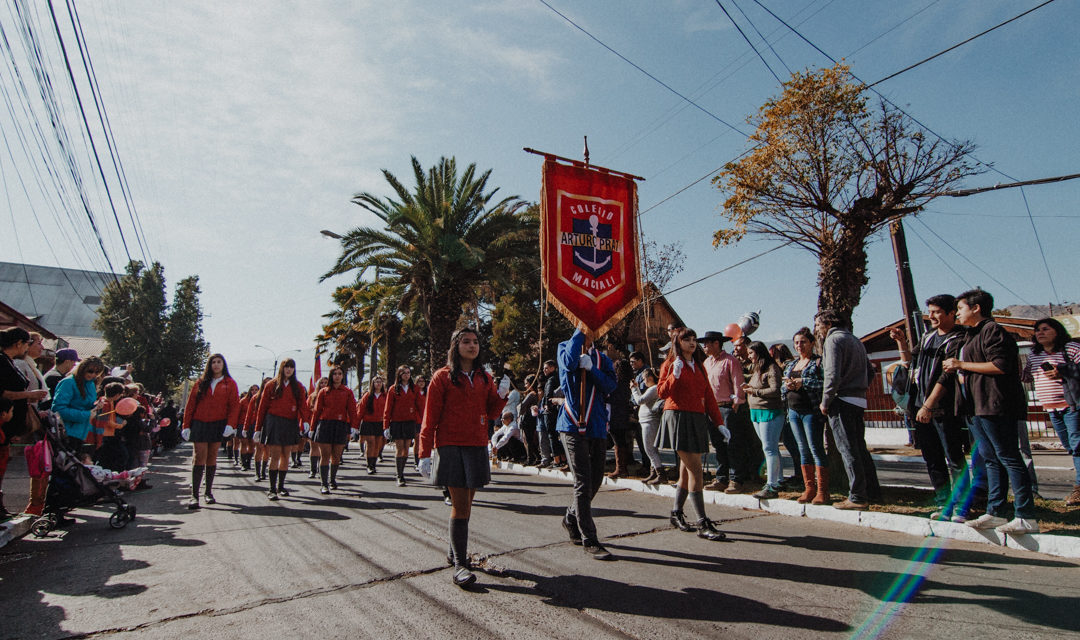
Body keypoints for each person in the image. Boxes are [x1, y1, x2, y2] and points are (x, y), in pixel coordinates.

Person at [416, 327, 509, 587]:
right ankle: (460, 565)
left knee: (467, 503)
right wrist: (424, 453)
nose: (472, 346)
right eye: (466, 341)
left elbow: (490, 412)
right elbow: (430, 417)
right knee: (460, 505)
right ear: (455, 346)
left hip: (476, 444)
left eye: (476, 341)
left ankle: (453, 551)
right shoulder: (442, 377)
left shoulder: (484, 377)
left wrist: (501, 396)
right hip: (450, 445)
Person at [940, 289, 1038, 534]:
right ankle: (995, 511)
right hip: (975, 406)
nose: (958, 314)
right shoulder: (968, 335)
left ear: (976, 308)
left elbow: (1000, 365)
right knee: (990, 458)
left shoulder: (992, 331)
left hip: (995, 403)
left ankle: (1026, 514)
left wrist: (961, 364)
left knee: (1009, 456)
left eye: (960, 309)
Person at [891, 294, 970, 521]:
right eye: (931, 312)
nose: (932, 316)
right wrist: (901, 342)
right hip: (919, 406)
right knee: (932, 458)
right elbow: (910, 361)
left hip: (943, 408)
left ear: (951, 313)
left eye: (937, 311)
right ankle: (943, 503)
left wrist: (929, 405)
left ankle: (961, 507)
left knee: (954, 458)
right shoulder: (927, 337)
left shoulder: (958, 339)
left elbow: (947, 376)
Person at [656, 327, 728, 541]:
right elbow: (662, 392)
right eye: (686, 339)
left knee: (686, 472)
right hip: (678, 416)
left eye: (693, 339)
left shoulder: (699, 365)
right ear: (678, 342)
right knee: (696, 470)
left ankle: (676, 513)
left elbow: (709, 395)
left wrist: (719, 423)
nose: (692, 342)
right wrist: (674, 375)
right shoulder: (669, 364)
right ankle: (702, 522)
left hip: (696, 417)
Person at [555, 327, 617, 558]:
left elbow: (611, 386)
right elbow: (570, 364)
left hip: (597, 424)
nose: (591, 332)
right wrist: (579, 333)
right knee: (582, 481)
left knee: (596, 479)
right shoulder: (564, 347)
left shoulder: (602, 359)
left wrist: (592, 369)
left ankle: (571, 517)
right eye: (585, 328)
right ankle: (589, 537)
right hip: (572, 425)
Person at [816, 309, 881, 510]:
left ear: (828, 323)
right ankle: (872, 492)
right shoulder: (855, 340)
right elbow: (870, 372)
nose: (817, 329)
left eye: (818, 325)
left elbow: (832, 374)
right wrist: (859, 387)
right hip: (858, 400)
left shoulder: (833, 340)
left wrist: (825, 401)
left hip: (842, 400)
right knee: (859, 448)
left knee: (847, 448)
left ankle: (857, 496)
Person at [1024, 318, 1080, 506]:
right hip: (1050, 407)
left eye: (1046, 329)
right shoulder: (1034, 355)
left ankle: (1079, 489)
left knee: (1077, 445)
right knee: (1070, 446)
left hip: (1072, 405)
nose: (1040, 333)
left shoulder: (1070, 349)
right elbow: (1027, 375)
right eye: (1037, 330)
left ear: (1057, 331)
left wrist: (1063, 371)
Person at [0, 328, 51, 516]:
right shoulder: (3, 362)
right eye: (28, 343)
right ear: (18, 344)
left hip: (12, 423)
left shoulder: (10, 362)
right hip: (4, 421)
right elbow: (3, 393)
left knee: (3, 462)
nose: (28, 347)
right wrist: (29, 395)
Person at [181, 354, 240, 509]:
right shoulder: (201, 382)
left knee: (212, 457)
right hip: (200, 423)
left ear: (223, 364)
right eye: (213, 362)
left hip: (218, 424)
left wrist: (231, 425)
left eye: (219, 362)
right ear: (209, 365)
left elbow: (234, 406)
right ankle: (194, 495)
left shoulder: (230, 383)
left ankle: (208, 492)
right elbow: (190, 404)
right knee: (199, 456)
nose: (216, 365)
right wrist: (186, 425)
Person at [700, 330, 751, 492]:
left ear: (717, 343)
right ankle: (721, 478)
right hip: (711, 408)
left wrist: (736, 403)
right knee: (717, 444)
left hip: (727, 407)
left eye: (707, 343)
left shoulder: (731, 361)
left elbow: (738, 383)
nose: (704, 346)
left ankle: (736, 479)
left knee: (732, 444)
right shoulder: (706, 363)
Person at [782, 327, 828, 504]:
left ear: (812, 343)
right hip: (793, 412)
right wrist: (787, 387)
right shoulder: (791, 364)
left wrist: (803, 382)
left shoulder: (818, 362)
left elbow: (824, 383)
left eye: (803, 342)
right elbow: (782, 386)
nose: (799, 346)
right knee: (802, 449)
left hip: (811, 411)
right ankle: (809, 488)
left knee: (815, 448)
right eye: (796, 343)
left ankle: (823, 490)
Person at [256, 360, 310, 500]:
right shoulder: (271, 385)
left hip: (290, 423)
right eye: (286, 366)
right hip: (273, 422)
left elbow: (302, 405)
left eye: (292, 367)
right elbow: (262, 408)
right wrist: (258, 428)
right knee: (274, 455)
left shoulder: (297, 386)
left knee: (285, 455)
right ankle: (272, 488)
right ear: (282, 368)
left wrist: (305, 421)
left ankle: (281, 486)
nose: (289, 369)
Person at [743, 341, 786, 499]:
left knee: (769, 448)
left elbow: (775, 390)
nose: (749, 357)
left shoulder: (771, 368)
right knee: (769, 447)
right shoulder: (756, 370)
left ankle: (771, 485)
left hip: (770, 412)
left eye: (751, 353)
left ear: (759, 353)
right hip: (756, 412)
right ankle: (779, 479)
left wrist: (754, 391)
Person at [312, 366, 357, 494]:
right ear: (331, 376)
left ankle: (332, 480)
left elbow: (352, 411)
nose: (337, 376)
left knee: (336, 456)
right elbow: (317, 411)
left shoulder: (347, 392)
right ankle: (324, 483)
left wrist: (354, 427)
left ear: (343, 376)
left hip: (340, 426)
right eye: (335, 374)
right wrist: (312, 428)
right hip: (325, 425)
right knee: (325, 455)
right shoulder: (324, 392)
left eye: (340, 374)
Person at [51, 355, 105, 453]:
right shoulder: (68, 382)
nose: (93, 375)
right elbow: (58, 409)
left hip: (81, 432)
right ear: (82, 368)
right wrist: (86, 414)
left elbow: (86, 405)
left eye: (97, 373)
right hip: (66, 433)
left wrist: (96, 406)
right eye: (90, 371)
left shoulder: (91, 384)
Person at [384, 365, 423, 487]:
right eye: (404, 373)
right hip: (397, 422)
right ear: (399, 375)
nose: (407, 375)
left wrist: (423, 421)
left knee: (406, 448)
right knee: (399, 448)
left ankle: (402, 471)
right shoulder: (393, 389)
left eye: (408, 373)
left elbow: (421, 406)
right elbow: (388, 408)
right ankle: (399, 475)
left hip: (410, 422)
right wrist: (386, 425)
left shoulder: (414, 388)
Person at [631, 367, 665, 484]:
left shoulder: (654, 388)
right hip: (646, 421)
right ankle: (654, 472)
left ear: (650, 378)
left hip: (650, 422)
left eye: (644, 379)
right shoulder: (652, 389)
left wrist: (634, 389)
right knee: (650, 449)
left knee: (650, 449)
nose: (644, 382)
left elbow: (640, 401)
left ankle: (661, 473)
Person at [606, 359, 635, 479]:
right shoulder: (628, 382)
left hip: (615, 413)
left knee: (617, 440)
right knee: (621, 440)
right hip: (624, 413)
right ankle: (623, 467)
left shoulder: (616, 382)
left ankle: (621, 468)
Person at [358, 376, 387, 474]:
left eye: (380, 382)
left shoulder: (385, 396)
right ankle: (369, 465)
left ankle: (373, 464)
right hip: (368, 422)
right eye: (376, 382)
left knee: (377, 445)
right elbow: (360, 410)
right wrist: (356, 424)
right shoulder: (367, 396)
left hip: (380, 423)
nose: (378, 384)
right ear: (372, 384)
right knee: (371, 443)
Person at [304, 377, 329, 477]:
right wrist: (306, 423)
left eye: (326, 383)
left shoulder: (331, 395)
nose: (323, 384)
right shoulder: (312, 396)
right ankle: (313, 470)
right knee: (314, 446)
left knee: (324, 448)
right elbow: (306, 410)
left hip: (326, 423)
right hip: (314, 423)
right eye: (321, 383)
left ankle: (321, 468)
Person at [517, 375, 540, 465]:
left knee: (528, 439)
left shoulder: (531, 394)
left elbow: (521, 406)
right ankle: (536, 456)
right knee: (528, 439)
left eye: (527, 383)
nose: (525, 386)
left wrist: (519, 408)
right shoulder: (535, 393)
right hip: (529, 418)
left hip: (528, 419)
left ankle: (530, 458)